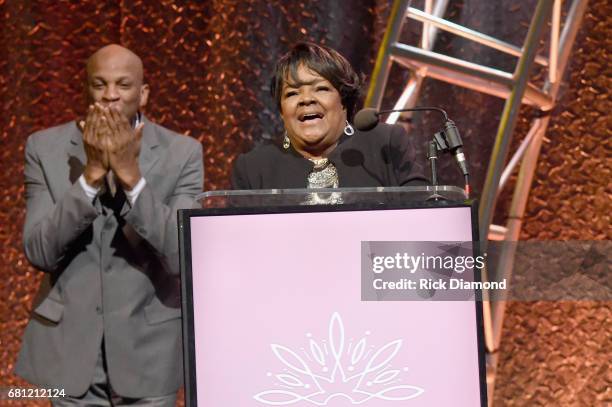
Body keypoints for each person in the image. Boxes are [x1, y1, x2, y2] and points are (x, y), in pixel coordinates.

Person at [16, 44, 203, 406]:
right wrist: (89, 177)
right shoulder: (45, 148)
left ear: (143, 93)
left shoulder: (183, 153)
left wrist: (132, 179)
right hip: (70, 352)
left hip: (149, 353)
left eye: (123, 85)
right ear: (86, 91)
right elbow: (39, 250)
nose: (111, 95)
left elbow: (182, 253)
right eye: (99, 85)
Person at [231, 42, 425, 192]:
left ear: (344, 101)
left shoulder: (385, 145)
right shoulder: (253, 168)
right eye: (292, 93)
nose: (306, 99)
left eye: (321, 89)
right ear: (282, 111)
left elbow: (425, 221)